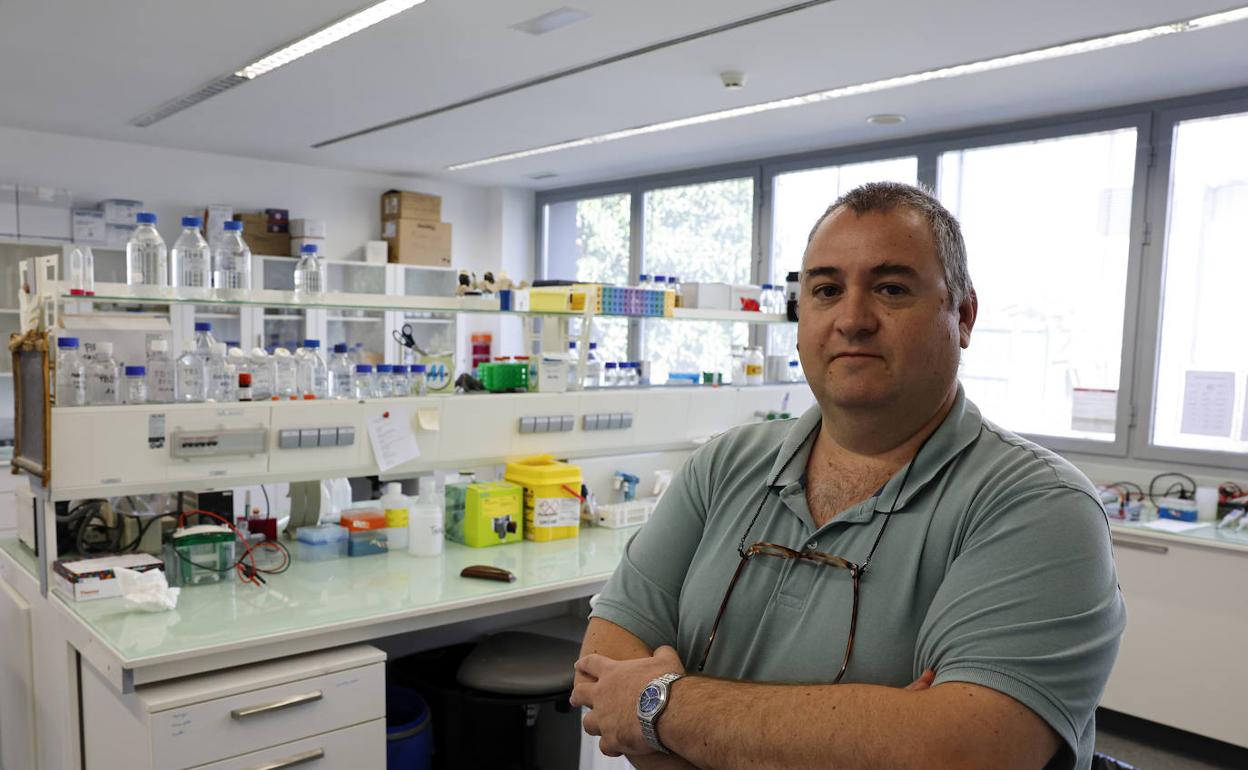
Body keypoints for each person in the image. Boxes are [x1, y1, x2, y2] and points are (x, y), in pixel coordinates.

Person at [571, 181, 1125, 770]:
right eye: (827, 290)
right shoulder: (724, 465)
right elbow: (604, 667)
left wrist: (660, 706)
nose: (852, 319)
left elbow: (962, 750)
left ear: (962, 316)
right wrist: (876, 731)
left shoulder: (1039, 506)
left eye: (890, 288)